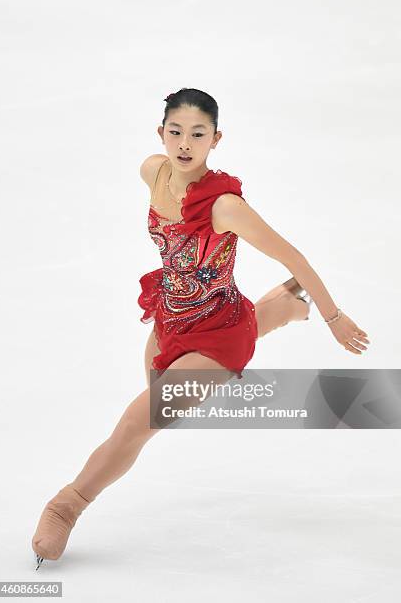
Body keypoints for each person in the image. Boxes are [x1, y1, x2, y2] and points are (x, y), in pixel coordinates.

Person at [31, 88, 370, 569]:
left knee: (139, 421)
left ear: (216, 139)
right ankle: (282, 305)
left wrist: (335, 318)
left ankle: (65, 506)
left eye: (198, 134)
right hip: (171, 318)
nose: (185, 143)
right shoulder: (152, 171)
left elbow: (293, 255)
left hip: (217, 336)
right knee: (152, 394)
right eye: (176, 132)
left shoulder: (225, 206)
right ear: (161, 134)